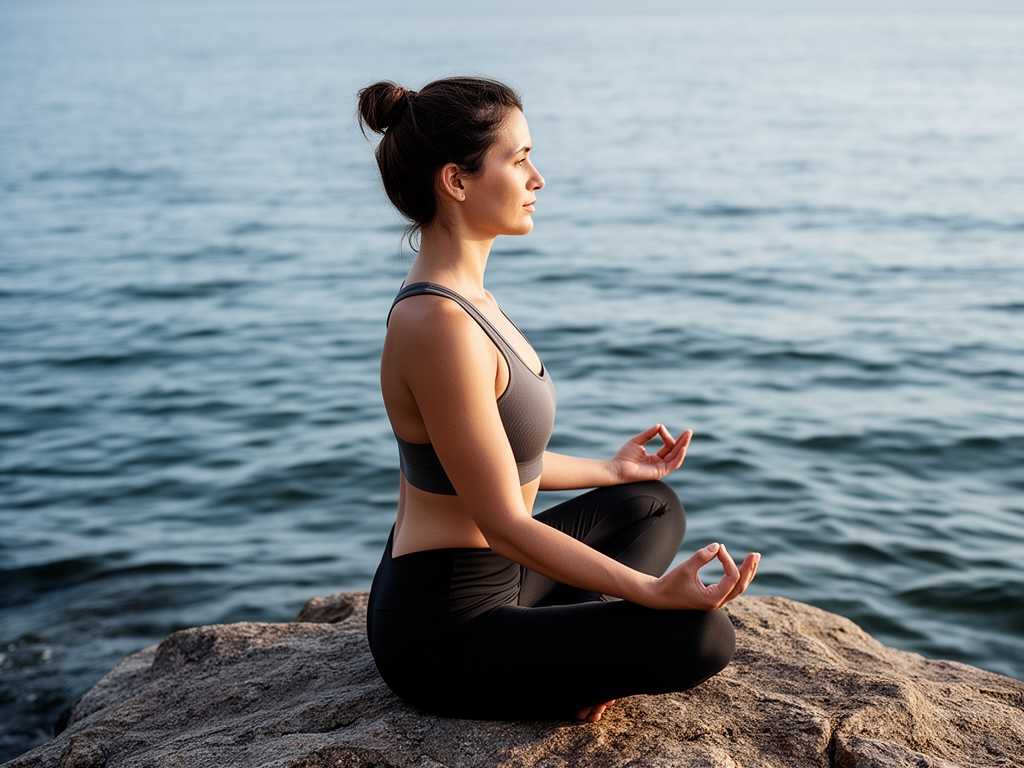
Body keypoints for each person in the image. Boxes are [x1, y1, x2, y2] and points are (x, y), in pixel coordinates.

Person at [358, 76, 759, 723]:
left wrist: (612, 470)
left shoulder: (470, 301)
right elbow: (503, 521)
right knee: (703, 639)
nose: (537, 178)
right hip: (444, 626)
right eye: (518, 160)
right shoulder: (438, 325)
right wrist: (651, 593)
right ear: (456, 181)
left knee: (650, 504)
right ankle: (566, 669)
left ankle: (567, 655)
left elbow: (507, 463)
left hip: (506, 576)